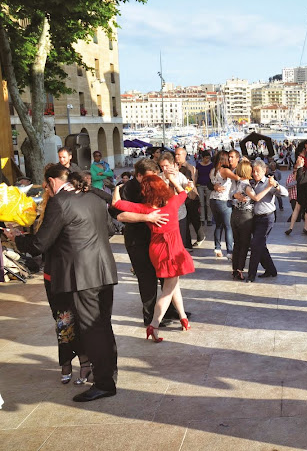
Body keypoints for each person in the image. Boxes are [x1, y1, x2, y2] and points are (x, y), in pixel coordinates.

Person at [12, 164, 119, 402]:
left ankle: (104, 383)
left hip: (82, 275)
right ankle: (109, 373)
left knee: (92, 329)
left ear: (52, 182)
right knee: (103, 325)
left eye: (45, 183)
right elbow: (110, 230)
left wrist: (18, 239)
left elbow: (40, 244)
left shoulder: (60, 202)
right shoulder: (93, 198)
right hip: (104, 270)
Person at [112, 173, 195, 342]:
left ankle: (183, 317)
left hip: (156, 250)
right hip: (172, 251)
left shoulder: (146, 209)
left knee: (173, 285)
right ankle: (154, 325)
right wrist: (173, 180)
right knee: (167, 291)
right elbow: (185, 192)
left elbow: (116, 204)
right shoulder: (172, 204)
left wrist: (116, 188)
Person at [244, 160, 288, 282]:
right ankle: (271, 270)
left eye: (258, 171)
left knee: (255, 245)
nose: (255, 173)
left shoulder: (269, 182)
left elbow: (284, 193)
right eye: (253, 171)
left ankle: (251, 275)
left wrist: (276, 186)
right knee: (260, 245)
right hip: (255, 217)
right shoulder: (252, 183)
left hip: (267, 217)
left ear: (264, 171)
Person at [209, 150, 240, 258]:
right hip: (223, 200)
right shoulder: (225, 171)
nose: (230, 160)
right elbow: (238, 178)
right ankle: (230, 251)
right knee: (228, 227)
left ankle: (217, 248)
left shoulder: (213, 170)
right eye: (228, 158)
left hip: (213, 200)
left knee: (218, 225)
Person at [229, 158, 254, 280]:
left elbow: (230, 195)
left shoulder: (237, 184)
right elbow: (255, 197)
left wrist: (234, 196)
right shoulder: (247, 186)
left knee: (237, 243)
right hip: (245, 216)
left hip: (235, 214)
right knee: (244, 244)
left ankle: (234, 268)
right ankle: (240, 269)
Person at [176, 147, 204, 247]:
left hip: (190, 196)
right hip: (186, 196)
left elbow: (190, 183)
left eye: (178, 154)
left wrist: (185, 193)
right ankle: (195, 239)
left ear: (184, 155)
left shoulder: (187, 168)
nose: (176, 157)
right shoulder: (178, 167)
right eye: (176, 154)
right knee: (191, 219)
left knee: (190, 219)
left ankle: (189, 243)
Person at [195, 150, 214, 226]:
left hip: (208, 185)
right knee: (201, 203)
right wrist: (195, 184)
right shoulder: (198, 165)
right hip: (200, 185)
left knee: (208, 203)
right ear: (202, 158)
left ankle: (209, 219)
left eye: (208, 158)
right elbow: (196, 175)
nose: (207, 160)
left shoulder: (211, 165)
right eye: (206, 158)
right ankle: (202, 218)